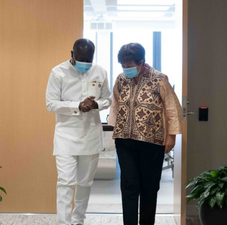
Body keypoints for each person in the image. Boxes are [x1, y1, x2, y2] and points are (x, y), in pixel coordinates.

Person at [108, 43, 182, 225]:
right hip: (125, 141)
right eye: (123, 66)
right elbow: (115, 103)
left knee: (149, 187)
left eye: (130, 66)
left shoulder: (159, 79)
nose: (126, 70)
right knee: (129, 186)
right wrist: (114, 127)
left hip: (152, 142)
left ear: (141, 62)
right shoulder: (120, 79)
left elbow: (172, 108)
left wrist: (171, 136)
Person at [46, 38, 112, 225]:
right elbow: (51, 104)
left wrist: (96, 104)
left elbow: (108, 99)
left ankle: (78, 220)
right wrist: (78, 106)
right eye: (81, 59)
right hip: (66, 135)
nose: (85, 64)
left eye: (88, 60)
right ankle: (64, 222)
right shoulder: (58, 72)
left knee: (85, 183)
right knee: (65, 182)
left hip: (90, 135)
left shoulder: (100, 71)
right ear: (72, 54)